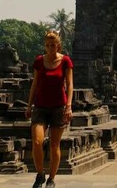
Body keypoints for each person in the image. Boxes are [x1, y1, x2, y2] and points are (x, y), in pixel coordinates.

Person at [26, 30, 73, 188]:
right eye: (47, 45)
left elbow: (70, 85)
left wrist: (69, 106)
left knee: (54, 145)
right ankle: (40, 174)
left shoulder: (65, 61)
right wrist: (28, 105)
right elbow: (35, 84)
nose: (50, 48)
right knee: (37, 142)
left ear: (58, 45)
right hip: (40, 107)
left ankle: (51, 179)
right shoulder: (39, 61)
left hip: (59, 107)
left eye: (53, 45)